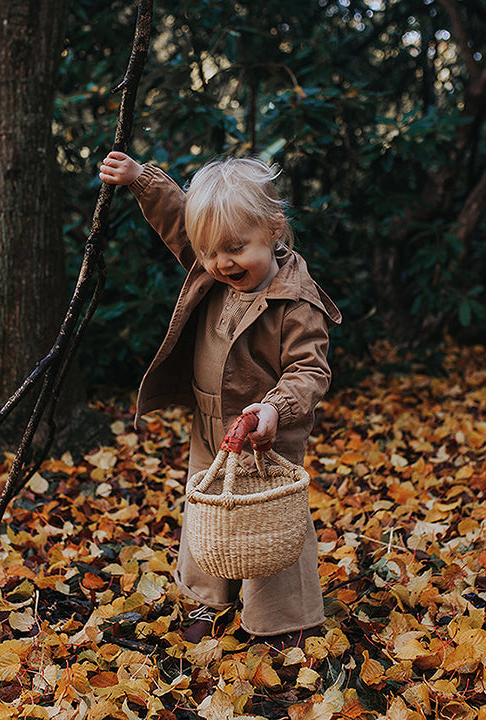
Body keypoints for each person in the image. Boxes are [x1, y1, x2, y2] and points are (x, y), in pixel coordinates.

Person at [99, 150, 342, 647]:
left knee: (271, 523)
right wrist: (140, 179)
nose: (220, 262)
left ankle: (285, 619)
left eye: (234, 248)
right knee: (208, 510)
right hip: (209, 422)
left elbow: (309, 369)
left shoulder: (296, 300)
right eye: (210, 252)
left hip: (262, 433)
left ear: (274, 229)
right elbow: (177, 217)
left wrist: (274, 408)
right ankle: (209, 601)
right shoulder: (211, 266)